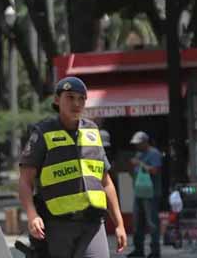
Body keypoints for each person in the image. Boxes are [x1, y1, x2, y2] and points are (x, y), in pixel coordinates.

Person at [18, 76, 127, 258]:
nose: (76, 103)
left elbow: (105, 182)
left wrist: (119, 224)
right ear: (57, 100)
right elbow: (25, 181)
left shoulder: (92, 132)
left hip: (93, 223)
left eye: (81, 98)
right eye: (70, 97)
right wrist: (32, 215)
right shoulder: (43, 133)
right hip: (58, 226)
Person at [127, 131, 162, 258]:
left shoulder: (154, 153)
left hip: (151, 194)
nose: (137, 146)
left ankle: (155, 251)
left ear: (145, 142)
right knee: (137, 222)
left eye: (139, 143)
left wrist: (140, 164)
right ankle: (139, 249)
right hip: (139, 192)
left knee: (152, 222)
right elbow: (134, 173)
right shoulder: (138, 154)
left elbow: (155, 170)